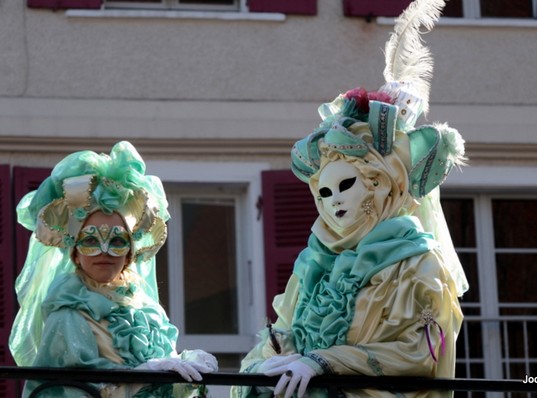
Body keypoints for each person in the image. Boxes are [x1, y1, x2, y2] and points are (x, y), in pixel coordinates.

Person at [232, 0, 468, 397]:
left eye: (346, 186)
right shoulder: (316, 263)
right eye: (324, 191)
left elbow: (420, 354)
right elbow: (281, 336)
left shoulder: (418, 264)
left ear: (380, 186)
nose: (333, 201)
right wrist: (263, 364)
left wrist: (325, 361)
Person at [9, 141, 218, 398]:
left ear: (130, 251)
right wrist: (139, 377)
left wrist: (190, 364)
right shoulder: (69, 314)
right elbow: (66, 391)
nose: (104, 251)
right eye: (90, 241)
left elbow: (167, 373)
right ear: (75, 251)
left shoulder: (147, 308)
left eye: (117, 241)